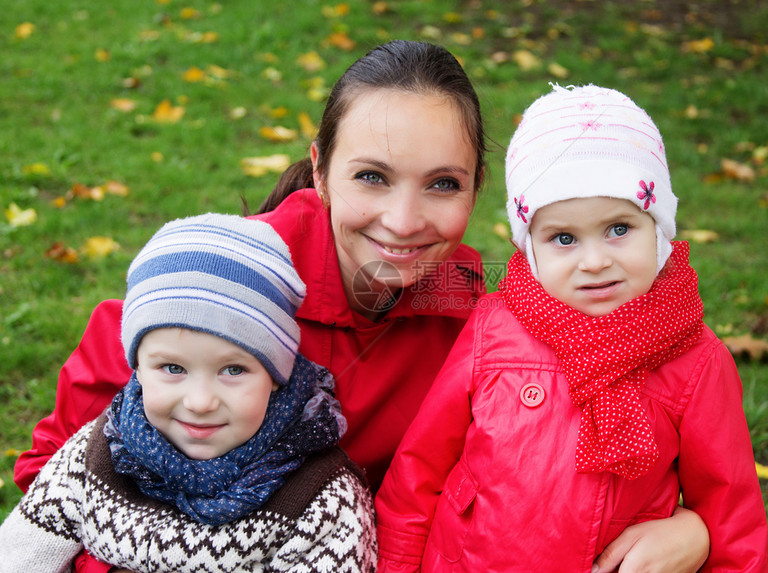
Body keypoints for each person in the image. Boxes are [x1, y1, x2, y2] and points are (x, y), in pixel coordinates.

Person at [14, 41, 710, 572]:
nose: (404, 221)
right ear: (319, 168)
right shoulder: (215, 291)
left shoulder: (485, 309)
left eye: (442, 183)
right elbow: (54, 471)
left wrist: (696, 525)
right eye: (371, 177)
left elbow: (623, 394)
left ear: (480, 193)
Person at [374, 84, 768, 572]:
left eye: (619, 229)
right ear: (530, 248)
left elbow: (730, 513)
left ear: (659, 228)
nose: (595, 261)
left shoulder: (694, 358)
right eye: (564, 238)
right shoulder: (494, 327)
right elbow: (419, 471)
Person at [0, 214, 377, 572]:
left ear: (277, 376)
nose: (200, 402)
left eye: (233, 370)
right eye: (173, 369)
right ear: (138, 370)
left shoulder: (320, 500)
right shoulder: (98, 452)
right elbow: (20, 555)